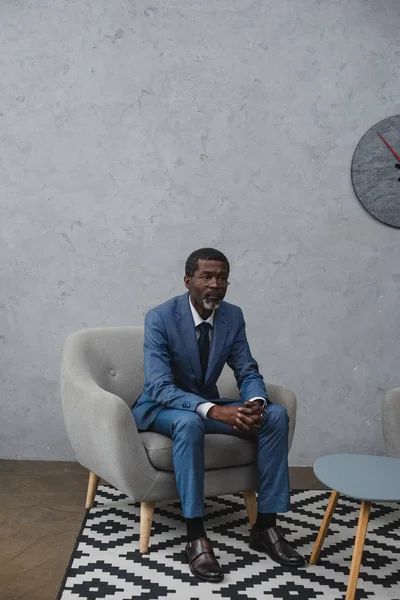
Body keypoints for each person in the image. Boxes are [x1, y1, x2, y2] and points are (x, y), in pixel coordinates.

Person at [132, 248, 305, 582]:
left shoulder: (232, 317)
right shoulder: (160, 317)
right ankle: (196, 536)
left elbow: (246, 368)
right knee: (189, 420)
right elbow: (158, 386)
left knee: (276, 416)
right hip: (162, 408)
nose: (215, 284)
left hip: (202, 404)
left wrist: (255, 401)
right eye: (206, 277)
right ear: (188, 280)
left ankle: (265, 527)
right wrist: (216, 410)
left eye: (222, 277)